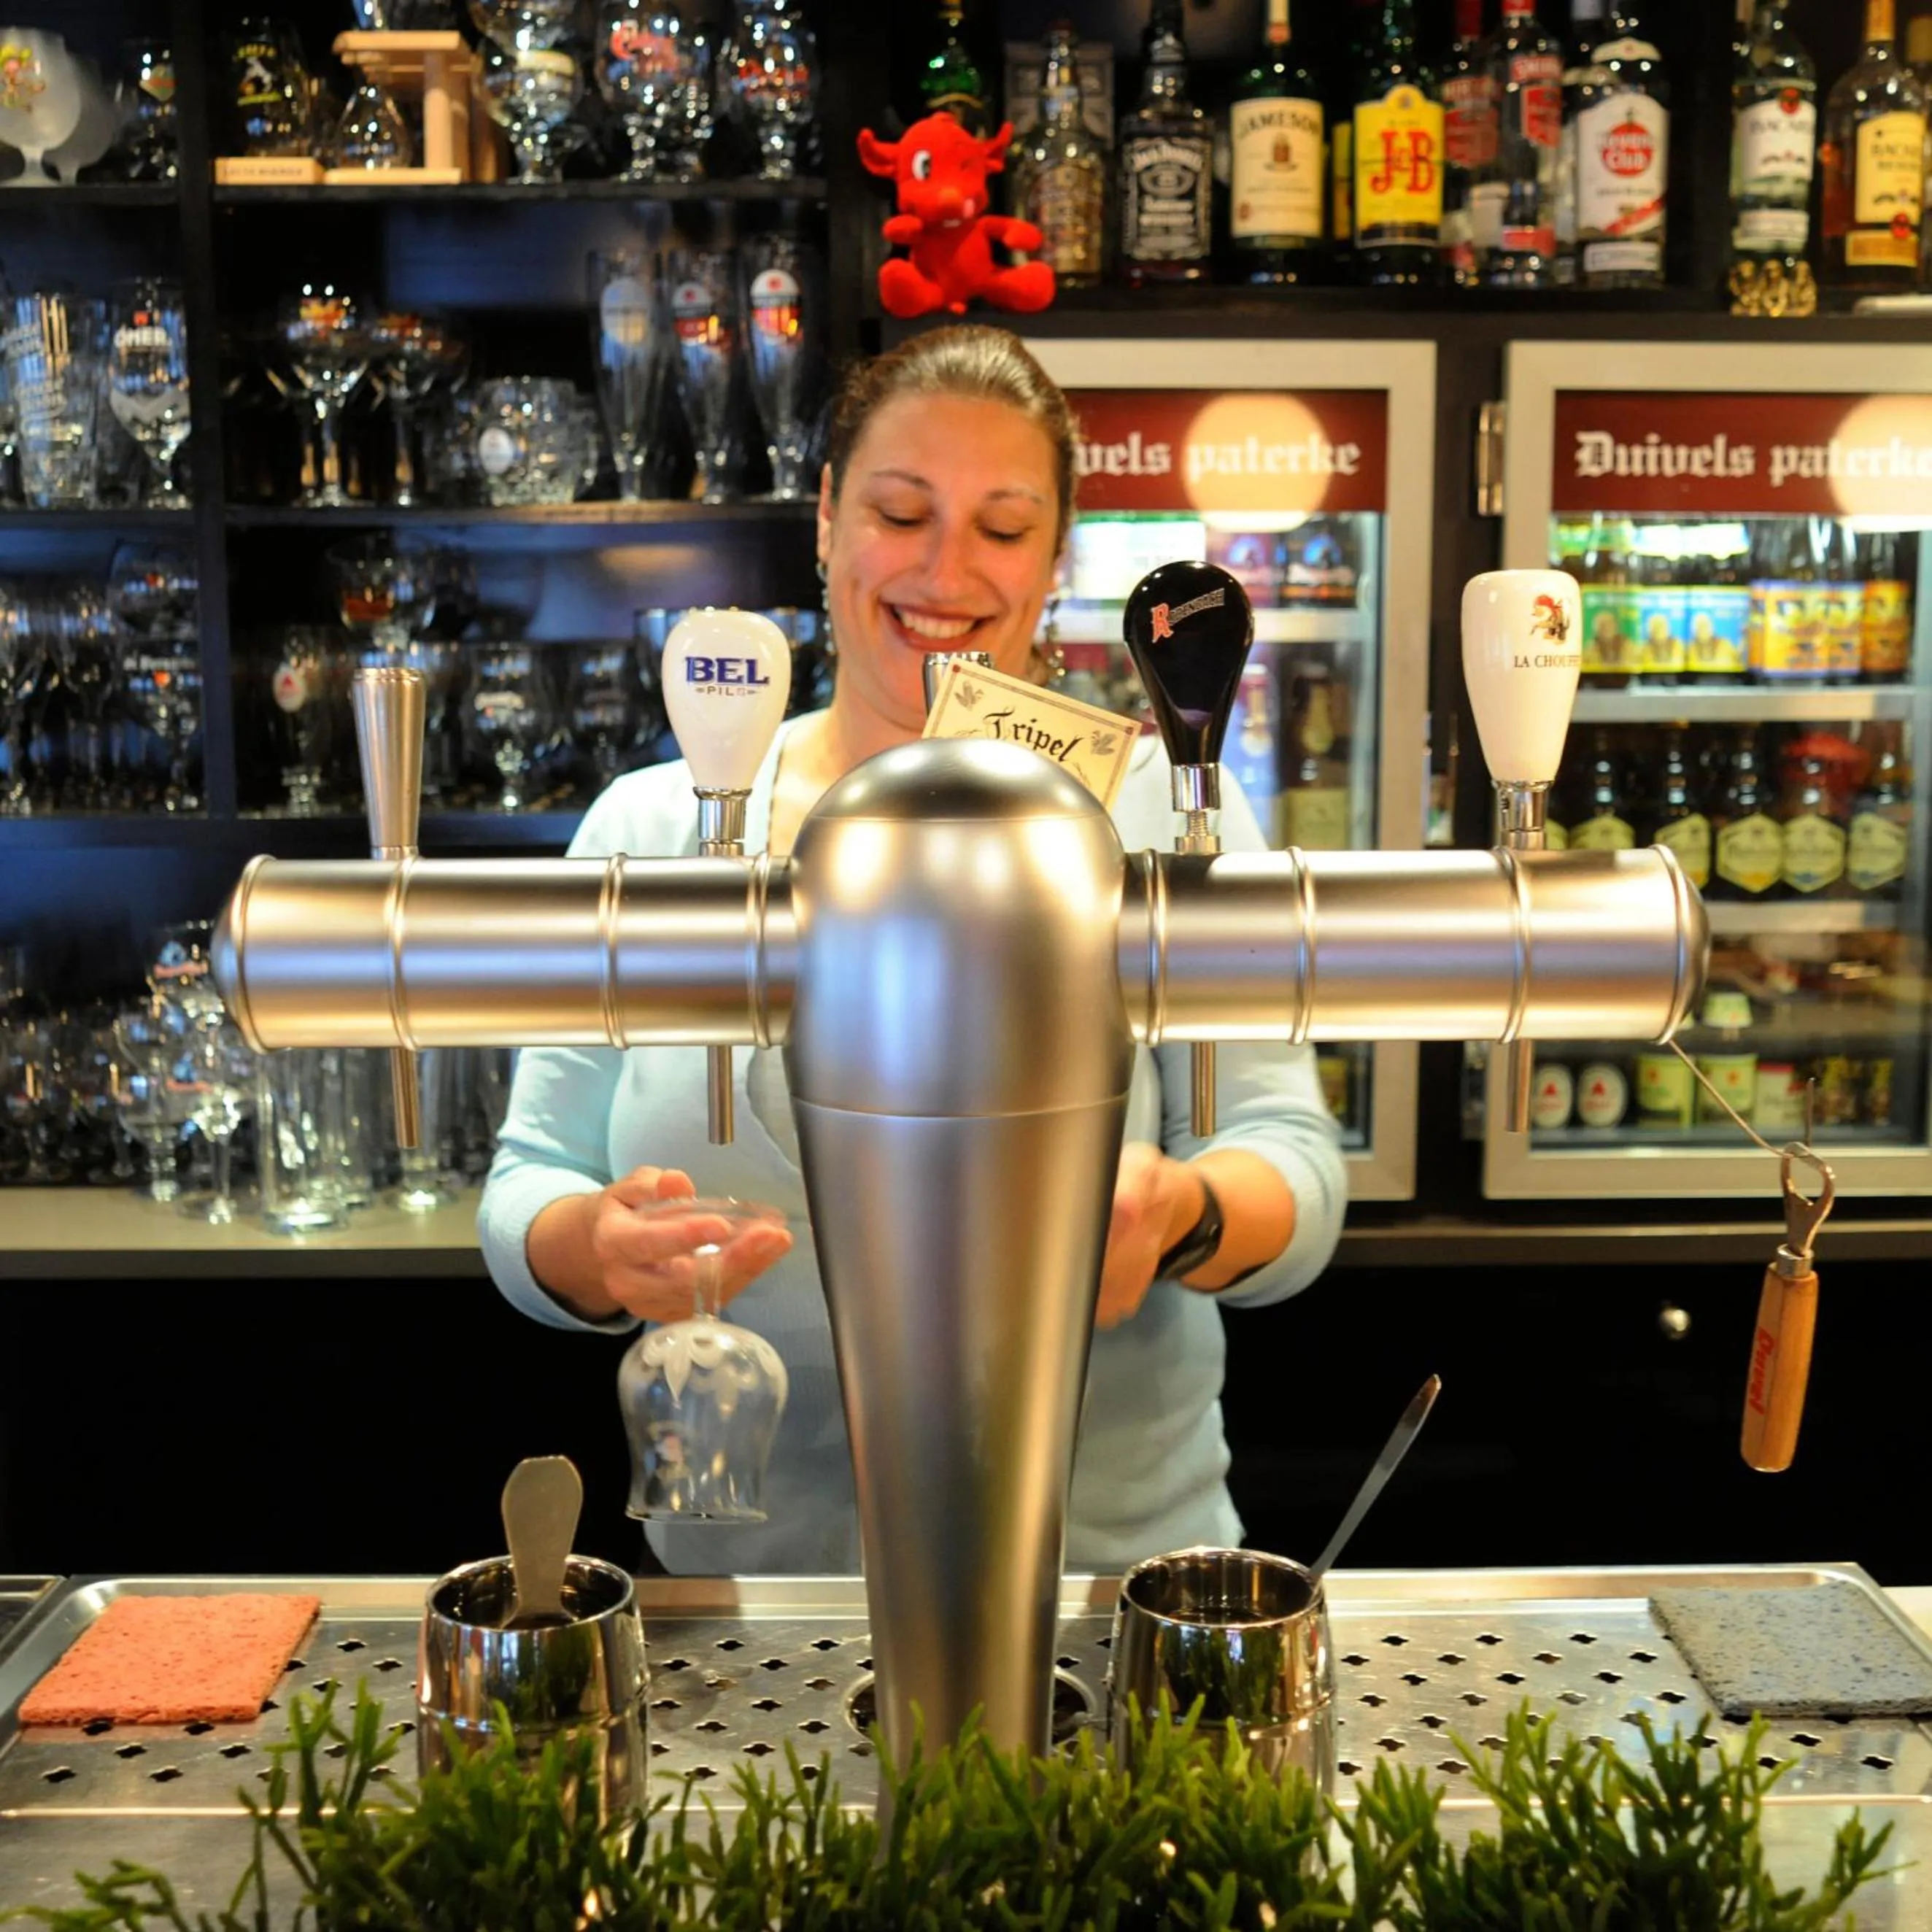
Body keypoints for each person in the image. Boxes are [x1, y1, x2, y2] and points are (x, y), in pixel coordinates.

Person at [479, 325, 1346, 1576]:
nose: (947, 571)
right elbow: (527, 1184)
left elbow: (1297, 1174)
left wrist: (1185, 1210)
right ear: (826, 520)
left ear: (1054, 560)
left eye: (1003, 529)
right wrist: (595, 1252)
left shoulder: (1163, 807)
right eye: (899, 511)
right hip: (750, 1599)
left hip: (1109, 1577)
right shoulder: (654, 827)